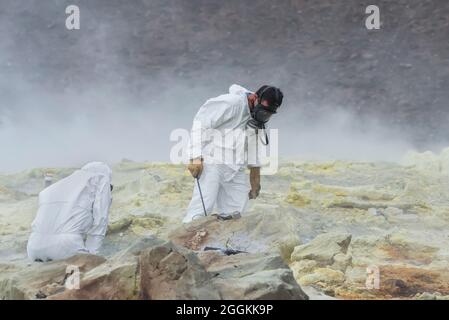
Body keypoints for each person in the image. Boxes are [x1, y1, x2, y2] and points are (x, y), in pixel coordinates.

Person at [183, 84, 283, 223]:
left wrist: (255, 176)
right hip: (212, 162)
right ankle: (184, 242)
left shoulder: (259, 119)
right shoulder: (231, 103)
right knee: (202, 209)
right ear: (255, 98)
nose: (264, 115)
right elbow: (201, 123)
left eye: (268, 113)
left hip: (236, 168)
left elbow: (254, 146)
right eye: (263, 111)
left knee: (235, 215)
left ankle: (221, 244)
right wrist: (195, 157)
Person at [27, 162, 113, 261]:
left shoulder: (57, 187)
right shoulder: (101, 179)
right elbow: (100, 221)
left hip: (33, 247)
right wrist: (93, 257)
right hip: (66, 247)